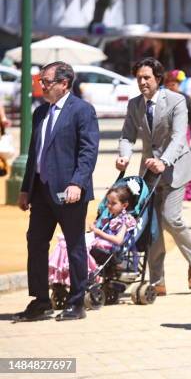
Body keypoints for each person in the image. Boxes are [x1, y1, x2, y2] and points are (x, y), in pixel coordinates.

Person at [13, 61, 100, 322]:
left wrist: (78, 182)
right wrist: (25, 188)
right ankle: (41, 301)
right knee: (36, 242)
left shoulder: (82, 110)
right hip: (41, 192)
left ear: (64, 84)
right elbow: (34, 155)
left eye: (46, 82)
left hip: (69, 191)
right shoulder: (40, 112)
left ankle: (76, 302)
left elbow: (88, 151)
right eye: (41, 81)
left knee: (74, 246)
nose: (42, 86)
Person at [116, 57, 191, 297]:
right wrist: (124, 156)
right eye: (139, 79)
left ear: (158, 78)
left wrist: (163, 160)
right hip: (148, 174)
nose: (142, 82)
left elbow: (178, 137)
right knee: (152, 227)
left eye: (146, 78)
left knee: (170, 217)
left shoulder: (177, 100)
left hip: (175, 169)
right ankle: (157, 281)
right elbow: (127, 135)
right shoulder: (135, 104)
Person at [48, 184, 137, 284]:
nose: (109, 205)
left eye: (113, 203)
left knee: (81, 245)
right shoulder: (110, 217)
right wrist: (97, 228)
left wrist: (98, 232)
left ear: (124, 205)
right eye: (108, 202)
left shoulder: (126, 219)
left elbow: (118, 240)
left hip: (110, 248)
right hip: (100, 241)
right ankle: (63, 274)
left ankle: (85, 274)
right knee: (66, 241)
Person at [164, 70, 191, 202]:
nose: (171, 87)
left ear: (179, 84)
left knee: (184, 160)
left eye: (173, 84)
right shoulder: (162, 98)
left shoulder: (186, 99)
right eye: (168, 84)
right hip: (166, 134)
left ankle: (188, 191)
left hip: (183, 134)